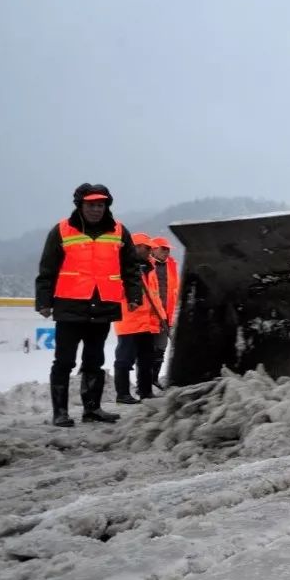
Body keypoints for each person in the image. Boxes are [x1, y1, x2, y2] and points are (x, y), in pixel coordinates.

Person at [34, 183, 143, 427]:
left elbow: (131, 268)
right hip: (69, 305)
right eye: (91, 205)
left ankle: (92, 409)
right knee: (64, 360)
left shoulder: (119, 231)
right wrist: (43, 301)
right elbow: (47, 269)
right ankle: (60, 412)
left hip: (103, 305)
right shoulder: (62, 230)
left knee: (94, 360)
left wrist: (135, 296)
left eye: (100, 205)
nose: (96, 209)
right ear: (80, 206)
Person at [113, 232, 166, 404]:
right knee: (125, 358)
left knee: (146, 359)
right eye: (147, 248)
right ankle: (122, 394)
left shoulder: (149, 269)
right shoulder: (122, 266)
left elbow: (154, 296)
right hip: (129, 321)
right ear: (135, 247)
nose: (150, 251)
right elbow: (117, 293)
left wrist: (162, 318)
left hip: (147, 323)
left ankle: (145, 391)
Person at [149, 235, 179, 384]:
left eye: (168, 250)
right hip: (149, 316)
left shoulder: (171, 265)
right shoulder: (146, 265)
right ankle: (145, 382)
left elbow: (175, 290)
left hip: (167, 315)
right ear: (153, 249)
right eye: (163, 249)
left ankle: (154, 379)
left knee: (161, 348)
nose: (167, 252)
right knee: (147, 350)